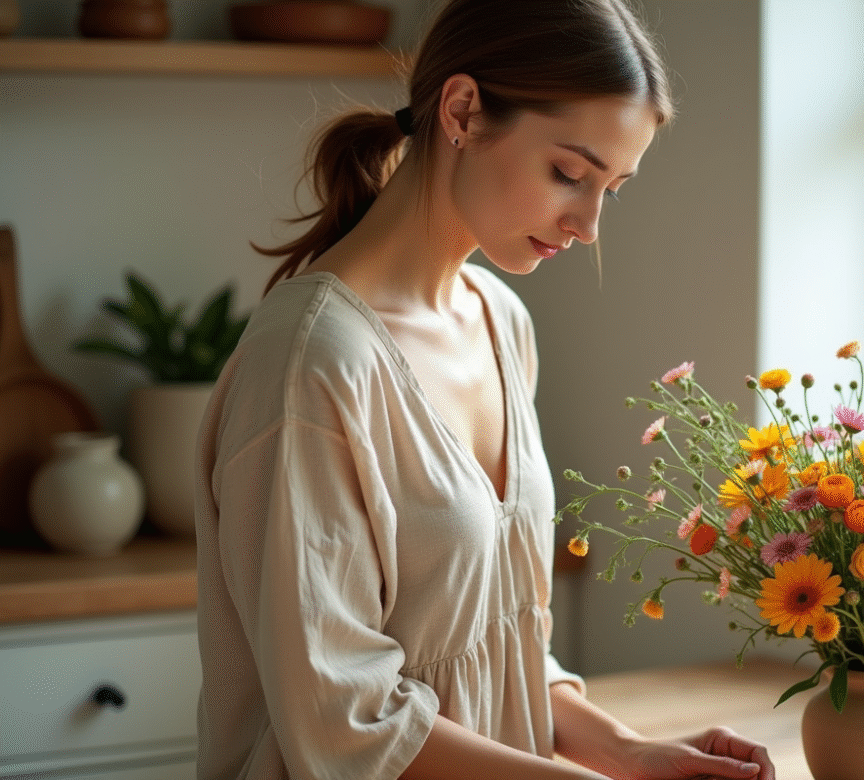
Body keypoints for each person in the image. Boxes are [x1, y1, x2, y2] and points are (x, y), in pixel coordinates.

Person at [194, 1, 776, 778]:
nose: (589, 224)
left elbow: (492, 643)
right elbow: (346, 721)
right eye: (569, 173)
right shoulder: (312, 363)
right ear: (463, 111)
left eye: (614, 188)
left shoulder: (501, 321)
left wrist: (630, 753)